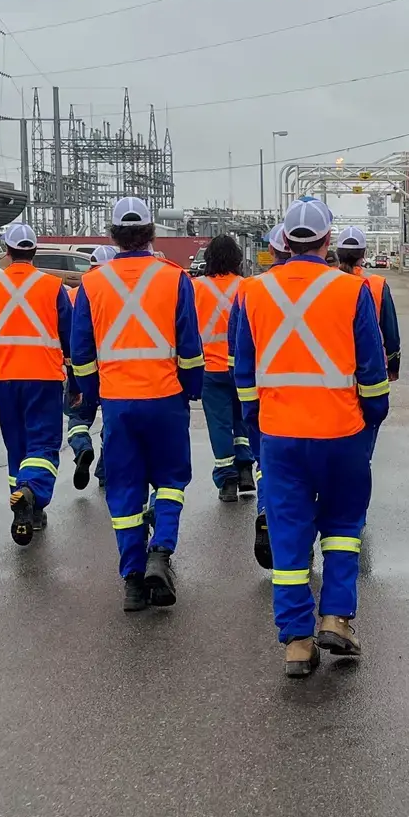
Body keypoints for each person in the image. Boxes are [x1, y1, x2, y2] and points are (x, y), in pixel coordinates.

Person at [230, 197, 389, 677]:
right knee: (343, 526)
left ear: (283, 240)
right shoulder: (351, 289)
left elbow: (244, 373)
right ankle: (337, 618)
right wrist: (372, 418)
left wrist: (256, 426)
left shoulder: (252, 293)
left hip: (280, 435)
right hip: (341, 431)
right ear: (327, 241)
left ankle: (297, 642)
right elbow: (372, 370)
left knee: (289, 535)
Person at [70, 198, 204, 612]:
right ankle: (161, 552)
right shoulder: (175, 278)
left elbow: (81, 351)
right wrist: (191, 388)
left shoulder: (91, 284)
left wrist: (93, 395)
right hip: (165, 398)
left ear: (113, 236)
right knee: (171, 480)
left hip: (118, 401)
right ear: (151, 233)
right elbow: (189, 346)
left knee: (125, 489)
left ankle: (132, 579)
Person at [0, 221, 75, 546]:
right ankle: (32, 493)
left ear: (6, 252)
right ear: (34, 251)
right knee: (43, 446)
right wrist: (76, 382)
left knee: (17, 447)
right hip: (43, 377)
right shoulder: (52, 286)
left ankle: (26, 505)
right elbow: (70, 341)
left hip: (3, 378)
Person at [193, 234, 256, 502]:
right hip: (242, 367)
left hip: (210, 368)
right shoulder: (248, 287)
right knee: (243, 420)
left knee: (219, 425)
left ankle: (227, 480)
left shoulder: (196, 288)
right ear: (237, 259)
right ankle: (245, 471)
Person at [250, 223, 288, 571]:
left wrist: (250, 409)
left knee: (270, 469)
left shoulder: (253, 290)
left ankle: (266, 510)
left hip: (269, 406)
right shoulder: (347, 289)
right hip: (328, 413)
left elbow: (241, 357)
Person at [63, 243, 117, 489]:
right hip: (109, 369)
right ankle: (105, 472)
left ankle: (82, 446)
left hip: (80, 367)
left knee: (77, 417)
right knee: (111, 422)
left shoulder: (76, 292)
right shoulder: (118, 292)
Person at [333, 227, 401, 383]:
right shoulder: (377, 284)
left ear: (338, 253)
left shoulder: (323, 283)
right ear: (363, 254)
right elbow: (390, 331)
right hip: (371, 365)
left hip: (334, 366)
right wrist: (393, 365)